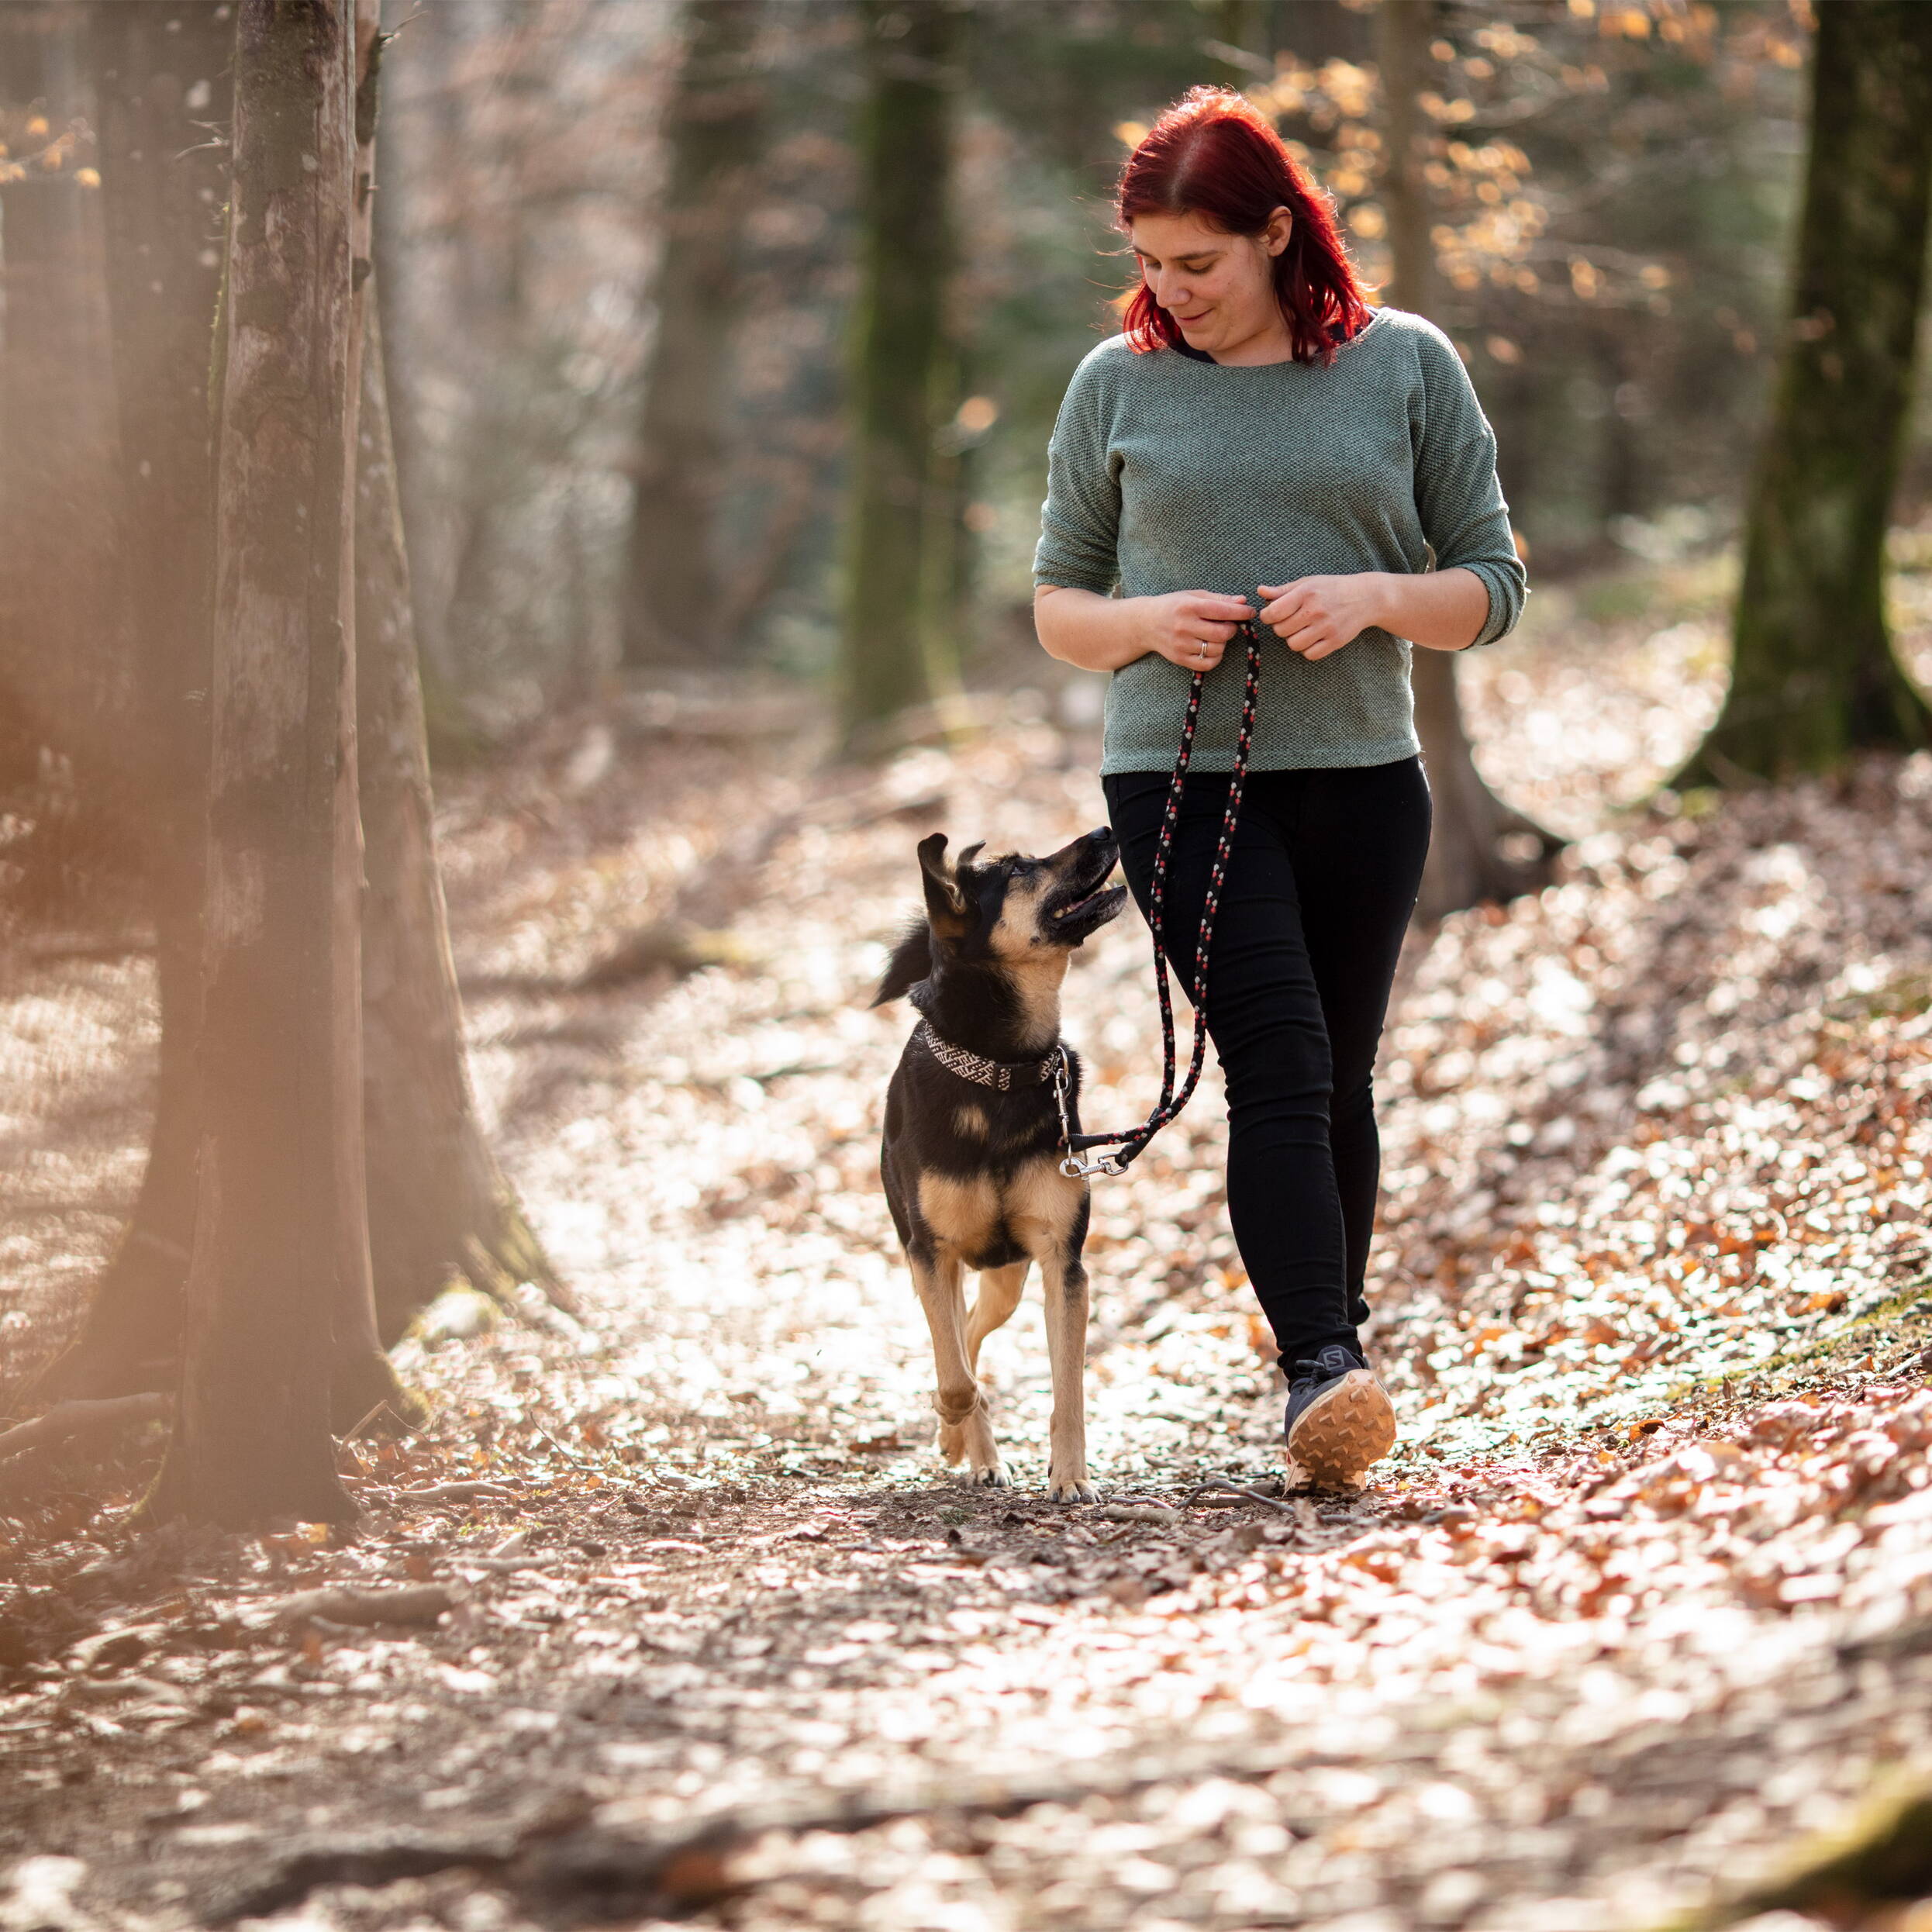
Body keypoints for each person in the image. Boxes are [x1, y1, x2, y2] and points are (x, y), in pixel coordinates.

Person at [1031, 87, 1527, 1487]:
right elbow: (1060, 603)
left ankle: (1334, 1360)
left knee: (1339, 1081)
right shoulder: (1112, 388)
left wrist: (1375, 596)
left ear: (1274, 233)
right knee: (1284, 1062)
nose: (1169, 292)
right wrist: (1143, 625)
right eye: (1148, 264)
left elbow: (1492, 588)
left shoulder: (1405, 365)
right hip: (1181, 783)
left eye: (1198, 262)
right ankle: (1322, 1363)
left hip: (1368, 784)